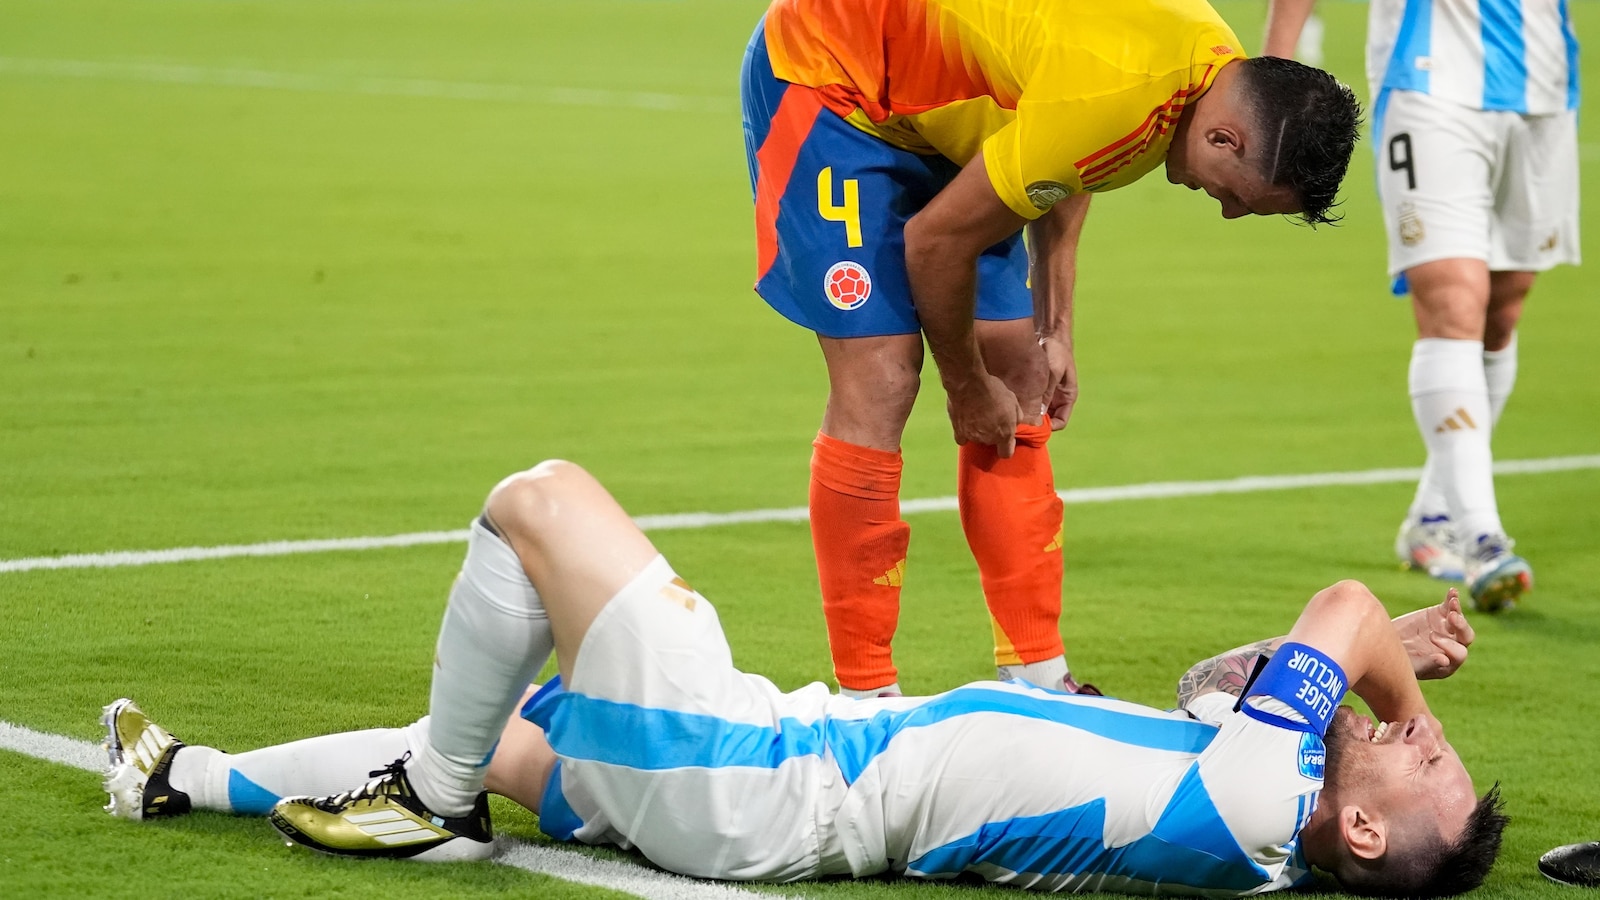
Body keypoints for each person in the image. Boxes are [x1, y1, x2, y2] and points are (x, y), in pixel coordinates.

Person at [104, 460, 1507, 895]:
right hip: (768, 773)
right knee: (522, 735)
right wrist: (1359, 673)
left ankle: (437, 796)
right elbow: (1230, 676)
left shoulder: (1262, 807)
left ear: (1367, 830)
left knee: (535, 502)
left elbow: (1336, 614)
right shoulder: (1242, 791)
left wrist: (1398, 686)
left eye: (1425, 766)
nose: (1424, 741)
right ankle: (183, 779)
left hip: (767, 780)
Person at [741, 0, 1363, 697]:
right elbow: (937, 243)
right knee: (883, 379)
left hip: (958, 110)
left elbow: (1076, 162)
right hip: (836, 80)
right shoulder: (1118, 93)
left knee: (1024, 371)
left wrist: (1053, 328)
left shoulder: (1199, 69)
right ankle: (864, 699)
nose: (1227, 211)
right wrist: (967, 390)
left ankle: (1037, 676)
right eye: (1241, 199)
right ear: (1225, 140)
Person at [1263, 0, 1580, 612]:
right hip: (1429, 76)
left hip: (1544, 79)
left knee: (1501, 312)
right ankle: (1484, 538)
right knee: (1453, 299)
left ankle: (1435, 515)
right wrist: (1276, 72)